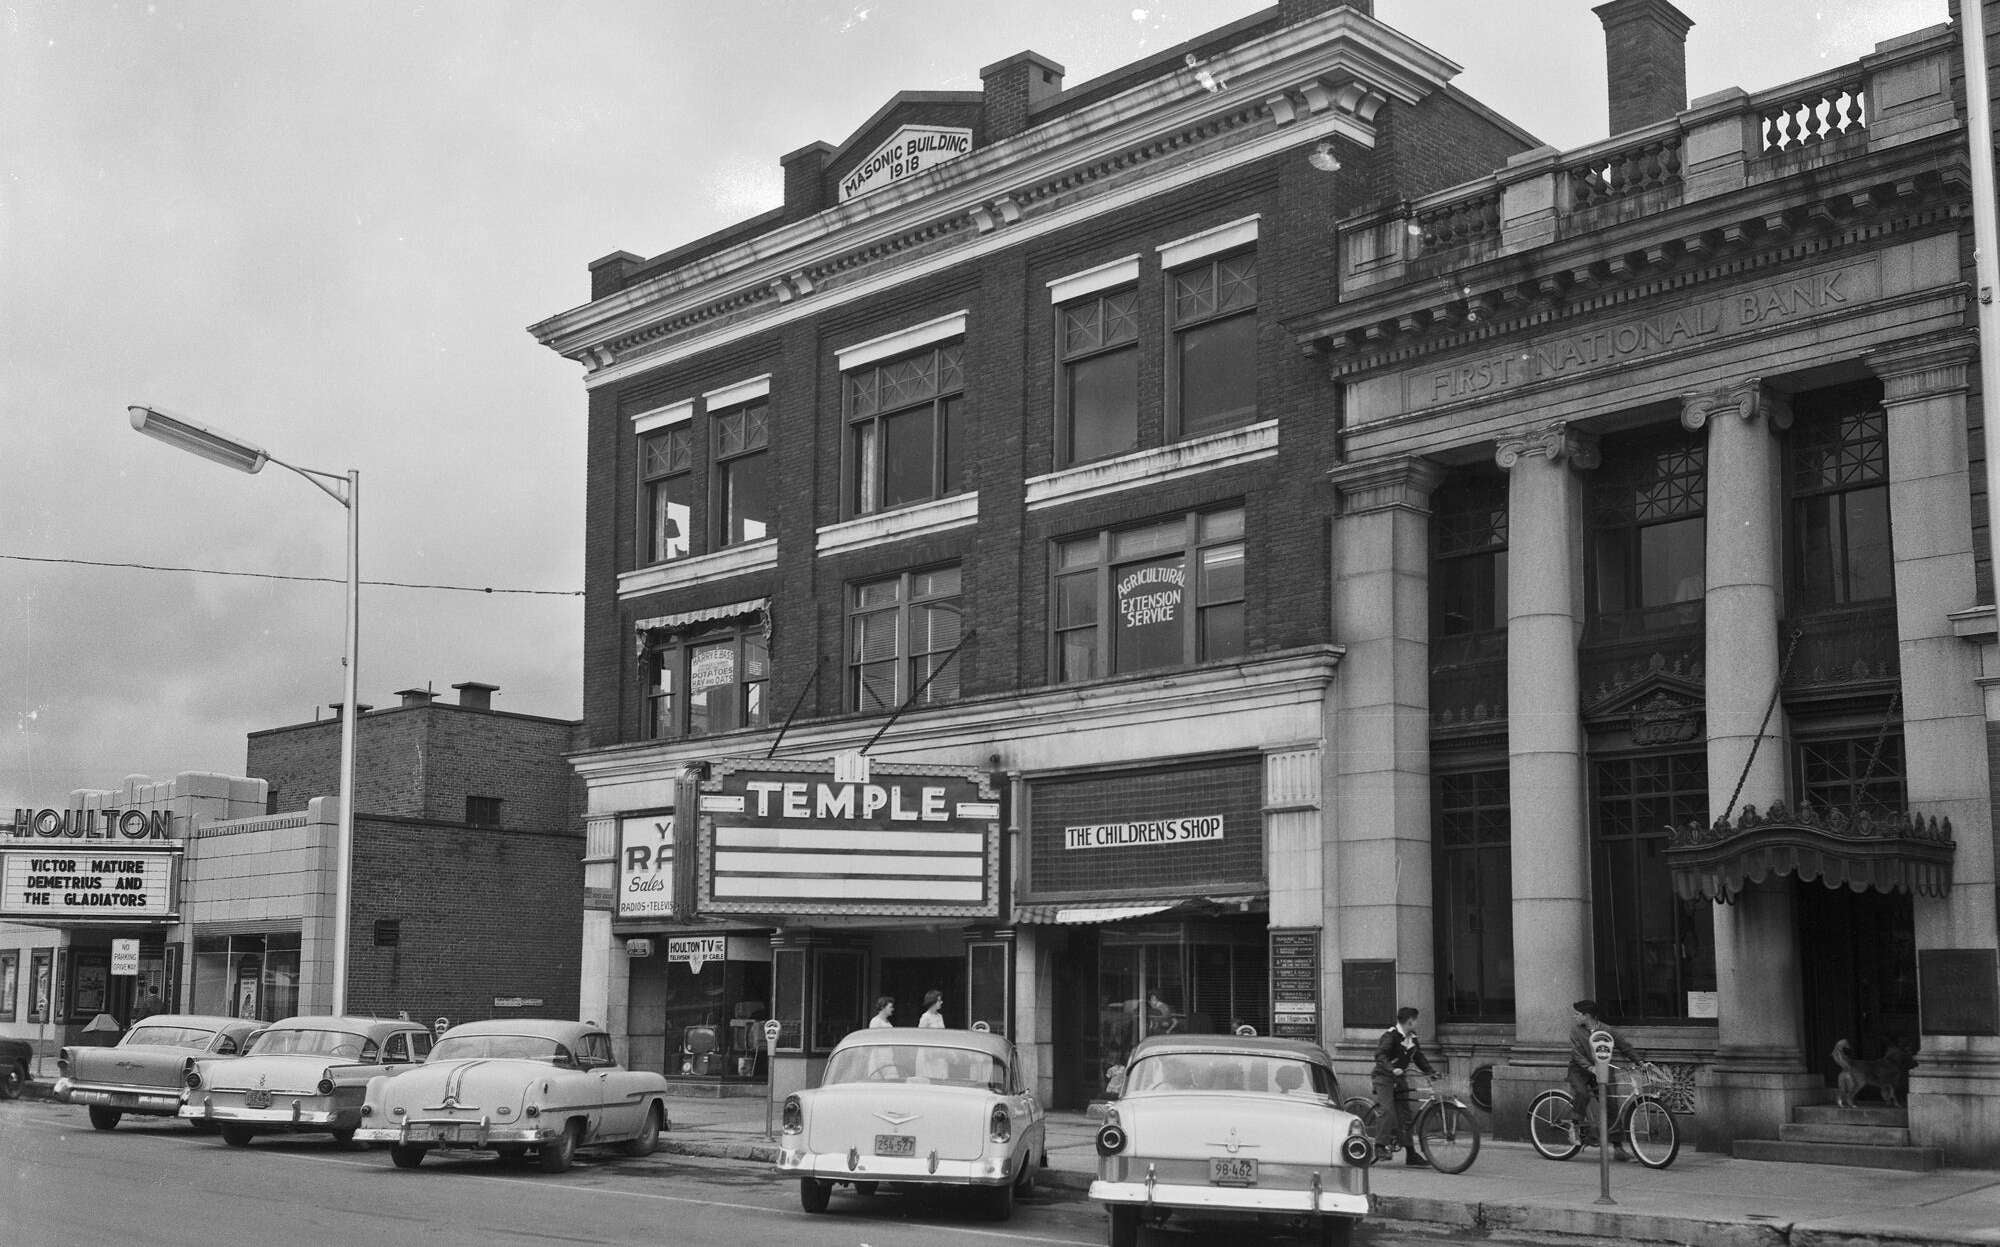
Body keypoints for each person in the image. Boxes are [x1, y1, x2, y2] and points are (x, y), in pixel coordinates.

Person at [1566, 999, 1656, 1161]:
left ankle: (1618, 1148)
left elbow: (1625, 1046)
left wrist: (1640, 1063)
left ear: (1587, 1016)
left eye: (1577, 1014)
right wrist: (1590, 1068)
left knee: (1611, 1105)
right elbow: (1576, 1053)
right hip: (1579, 1071)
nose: (1575, 1017)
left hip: (1602, 1070)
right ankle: (1574, 1125)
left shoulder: (1607, 1030)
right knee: (1582, 1093)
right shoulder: (1575, 1031)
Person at [1370, 1006, 1436, 1165]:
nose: (1417, 1023)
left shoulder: (1412, 1037)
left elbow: (1418, 1057)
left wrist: (1431, 1072)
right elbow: (1380, 1055)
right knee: (1388, 1110)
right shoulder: (1391, 1036)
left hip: (1399, 1079)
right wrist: (1392, 1069)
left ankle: (1411, 1154)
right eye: (1416, 1020)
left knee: (1405, 1115)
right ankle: (1379, 1146)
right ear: (1410, 1021)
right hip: (1384, 1077)